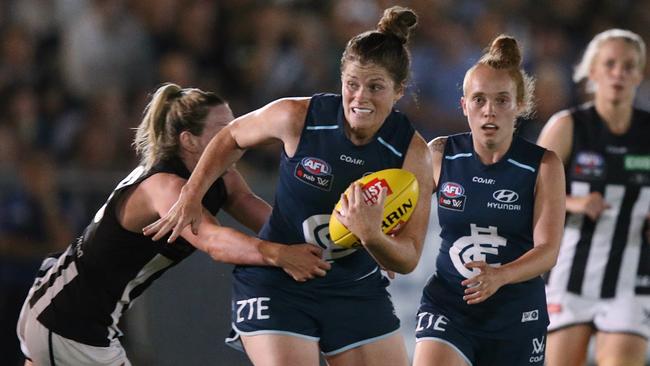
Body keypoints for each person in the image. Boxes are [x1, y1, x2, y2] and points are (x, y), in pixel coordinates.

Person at [144, 6, 433, 366]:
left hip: (353, 287)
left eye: (375, 87)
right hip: (278, 280)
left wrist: (374, 237)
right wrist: (191, 194)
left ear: (399, 91)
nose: (360, 98)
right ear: (340, 80)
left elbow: (408, 258)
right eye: (352, 85)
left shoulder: (412, 152)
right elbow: (232, 135)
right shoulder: (299, 116)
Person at [15, 83, 331, 366]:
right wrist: (277, 254)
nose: (234, 134)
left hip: (64, 313)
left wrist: (325, 237)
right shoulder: (164, 186)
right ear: (189, 141)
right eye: (222, 128)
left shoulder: (223, 176)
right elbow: (213, 241)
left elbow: (262, 213)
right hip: (71, 321)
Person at [413, 35, 566, 366]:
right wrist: (384, 240)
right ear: (464, 105)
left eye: (501, 100)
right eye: (479, 100)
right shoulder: (440, 154)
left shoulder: (544, 165)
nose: (489, 111)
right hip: (449, 307)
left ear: (520, 105)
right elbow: (405, 215)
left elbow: (548, 252)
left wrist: (501, 275)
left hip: (516, 317)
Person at [539, 29, 650, 366]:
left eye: (629, 66)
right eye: (610, 64)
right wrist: (574, 203)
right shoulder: (567, 126)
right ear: (593, 71)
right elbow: (529, 191)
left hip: (631, 277)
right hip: (569, 273)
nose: (619, 73)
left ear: (640, 74)